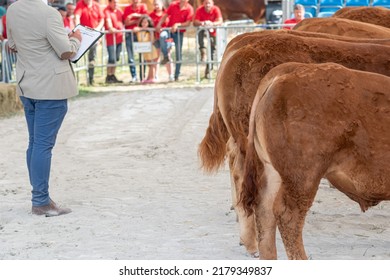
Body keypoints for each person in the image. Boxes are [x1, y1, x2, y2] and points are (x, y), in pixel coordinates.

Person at [6, 0, 82, 216]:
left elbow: (12, 44)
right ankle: (40, 201)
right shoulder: (49, 14)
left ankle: (40, 197)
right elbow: (66, 52)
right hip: (50, 86)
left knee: (34, 142)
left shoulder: (13, 9)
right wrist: (75, 39)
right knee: (42, 145)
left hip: (27, 83)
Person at [156, 0, 194, 82]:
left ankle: (176, 74)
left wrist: (178, 24)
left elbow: (188, 23)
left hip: (179, 34)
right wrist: (159, 24)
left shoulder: (189, 9)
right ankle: (165, 56)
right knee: (163, 36)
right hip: (170, 33)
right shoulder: (173, 5)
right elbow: (165, 15)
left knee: (178, 53)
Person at [74, 0, 104, 85]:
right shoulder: (80, 4)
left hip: (93, 36)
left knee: (92, 58)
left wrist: (98, 30)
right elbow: (77, 17)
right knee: (78, 58)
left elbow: (102, 19)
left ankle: (91, 79)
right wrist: (79, 28)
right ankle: (78, 80)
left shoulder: (96, 5)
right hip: (83, 35)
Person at [193, 0, 222, 79]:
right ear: (203, 4)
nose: (207, 5)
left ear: (212, 4)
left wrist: (212, 23)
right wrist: (203, 23)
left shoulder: (216, 9)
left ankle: (208, 71)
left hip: (213, 33)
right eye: (206, 3)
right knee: (200, 34)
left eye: (209, 3)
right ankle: (203, 51)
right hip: (202, 31)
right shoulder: (200, 9)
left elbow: (220, 21)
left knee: (212, 51)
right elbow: (195, 21)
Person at [123, 0, 148, 83]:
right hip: (129, 35)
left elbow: (146, 18)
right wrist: (136, 21)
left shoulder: (143, 6)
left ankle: (142, 76)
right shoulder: (127, 9)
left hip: (140, 35)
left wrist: (134, 15)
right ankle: (134, 76)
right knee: (131, 57)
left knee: (142, 56)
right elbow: (126, 23)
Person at [149, 0, 174, 82]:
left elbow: (170, 25)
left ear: (162, 5)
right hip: (156, 38)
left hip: (167, 38)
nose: (156, 6)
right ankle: (155, 75)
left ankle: (171, 75)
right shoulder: (151, 15)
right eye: (155, 5)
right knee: (156, 57)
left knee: (168, 55)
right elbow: (150, 27)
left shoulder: (166, 14)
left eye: (158, 4)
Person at [103, 0, 124, 84]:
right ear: (110, 2)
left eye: (117, 2)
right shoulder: (107, 11)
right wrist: (111, 27)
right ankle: (108, 75)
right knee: (111, 58)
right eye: (114, 2)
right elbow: (108, 21)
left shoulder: (119, 11)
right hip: (111, 39)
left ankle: (113, 75)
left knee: (116, 58)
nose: (116, 4)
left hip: (119, 37)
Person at [134, 15, 159, 83]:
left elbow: (152, 40)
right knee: (149, 64)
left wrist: (148, 30)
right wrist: (142, 28)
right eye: (143, 22)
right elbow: (134, 29)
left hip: (150, 49)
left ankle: (152, 77)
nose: (144, 24)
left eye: (146, 22)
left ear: (149, 23)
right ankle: (148, 78)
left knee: (152, 64)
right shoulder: (139, 30)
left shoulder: (150, 31)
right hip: (144, 50)